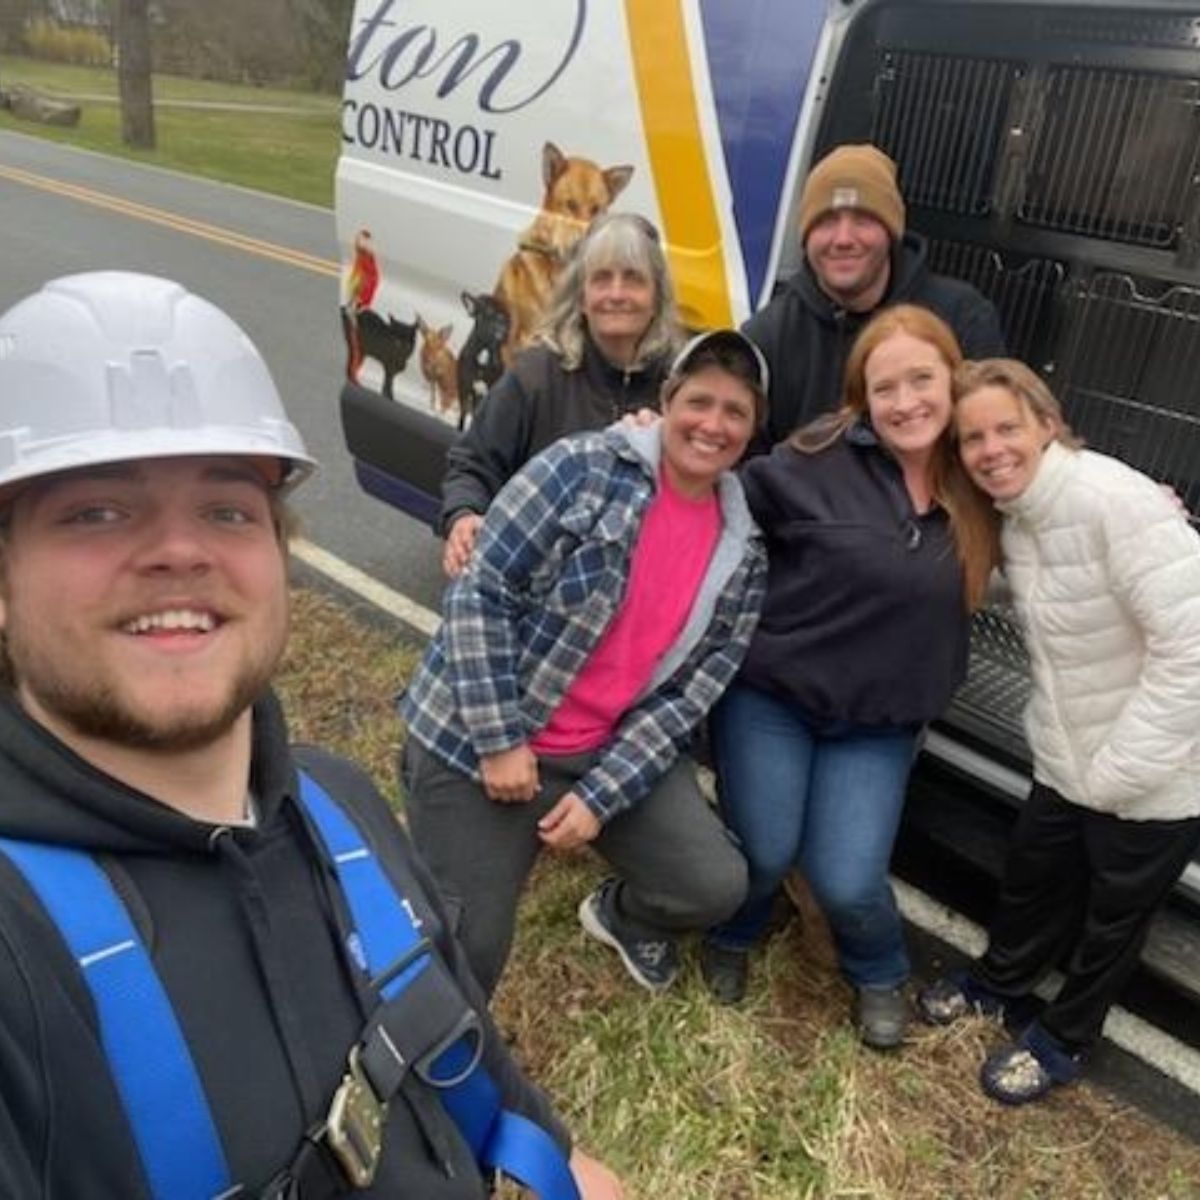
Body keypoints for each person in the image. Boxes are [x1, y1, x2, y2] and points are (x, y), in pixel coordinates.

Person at [0, 271, 622, 1200]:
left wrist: (557, 1156)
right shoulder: (18, 952)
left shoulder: (338, 805)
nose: (181, 550)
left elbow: (467, 1057)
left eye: (227, 508)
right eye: (95, 511)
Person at [401, 330, 769, 998]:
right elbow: (482, 590)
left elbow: (685, 700)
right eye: (699, 402)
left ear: (752, 430)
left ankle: (619, 917)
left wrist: (602, 797)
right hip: (479, 741)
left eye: (735, 412)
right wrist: (501, 739)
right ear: (667, 401)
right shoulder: (582, 468)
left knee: (714, 885)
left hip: (597, 750)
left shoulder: (743, 557)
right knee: (461, 954)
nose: (712, 425)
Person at [699, 305, 999, 1050]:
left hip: (880, 720)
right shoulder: (814, 458)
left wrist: (1148, 503)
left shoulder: (980, 473)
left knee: (845, 877)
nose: (907, 403)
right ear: (863, 397)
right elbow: (715, 487)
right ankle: (734, 932)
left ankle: (877, 969)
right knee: (763, 849)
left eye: (922, 379)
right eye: (885, 386)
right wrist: (650, 439)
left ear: (953, 377)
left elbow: (1059, 485)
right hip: (776, 695)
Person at [917, 358, 1200, 1104]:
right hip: (1070, 752)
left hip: (1159, 772)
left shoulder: (1116, 501)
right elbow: (1033, 587)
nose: (990, 449)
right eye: (972, 438)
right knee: (1034, 880)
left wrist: (1116, 774)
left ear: (1048, 423)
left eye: (1007, 427)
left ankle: (1065, 1037)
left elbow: (1193, 648)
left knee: (1112, 922)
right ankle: (1001, 986)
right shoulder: (1018, 515)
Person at [441, 211, 683, 576]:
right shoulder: (535, 376)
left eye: (633, 279)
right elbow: (472, 464)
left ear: (656, 297)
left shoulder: (680, 389)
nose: (616, 294)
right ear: (581, 297)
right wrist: (464, 515)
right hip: (532, 582)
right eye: (601, 279)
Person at [743, 143, 1006, 448]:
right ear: (805, 236)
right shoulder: (767, 337)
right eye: (826, 221)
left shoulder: (962, 317)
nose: (843, 239)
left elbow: (993, 437)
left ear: (891, 234)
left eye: (862, 220)